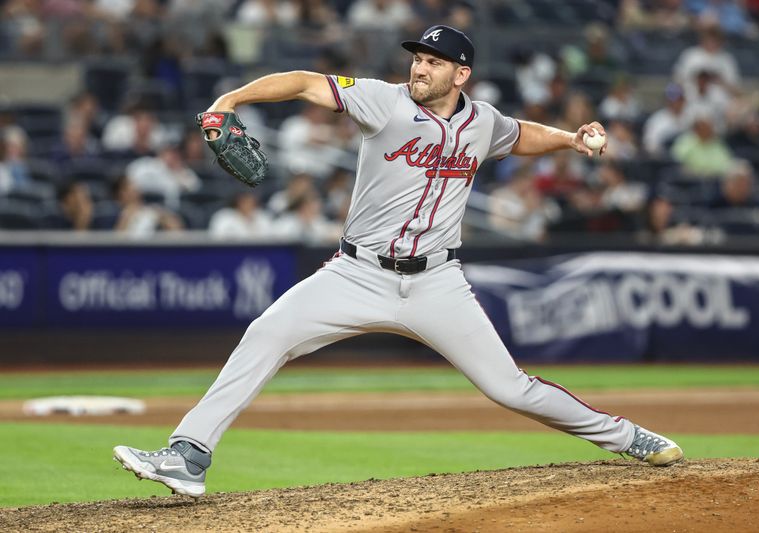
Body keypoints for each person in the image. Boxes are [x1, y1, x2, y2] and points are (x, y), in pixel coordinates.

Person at [113, 25, 684, 499]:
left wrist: (572, 139)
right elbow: (306, 83)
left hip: (438, 282)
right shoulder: (382, 100)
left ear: (461, 75)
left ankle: (627, 436)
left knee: (510, 388)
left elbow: (519, 135)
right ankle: (189, 456)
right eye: (417, 58)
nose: (419, 68)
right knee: (267, 333)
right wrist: (231, 100)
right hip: (356, 273)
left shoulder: (480, 120)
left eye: (434, 62)